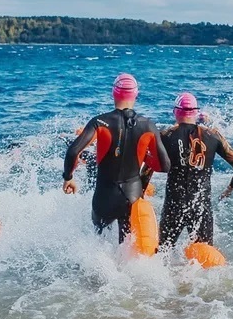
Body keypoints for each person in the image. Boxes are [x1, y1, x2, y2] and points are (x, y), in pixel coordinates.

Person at [63, 74, 170, 243]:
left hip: (104, 196)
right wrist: (143, 157)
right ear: (136, 94)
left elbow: (72, 152)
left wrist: (68, 178)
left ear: (114, 93)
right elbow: (165, 165)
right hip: (132, 195)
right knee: (125, 248)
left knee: (98, 244)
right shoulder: (148, 125)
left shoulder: (99, 122)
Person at [154, 93, 233, 248]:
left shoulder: (165, 135)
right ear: (196, 113)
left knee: (164, 251)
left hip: (174, 203)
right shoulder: (212, 135)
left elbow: (147, 170)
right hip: (201, 204)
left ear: (175, 112)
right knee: (204, 255)